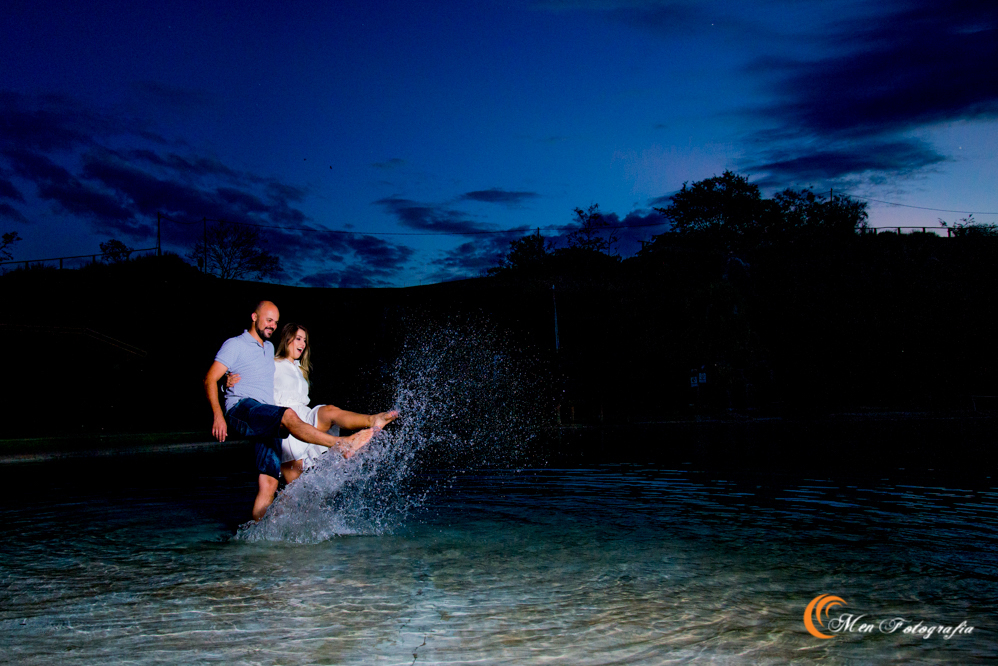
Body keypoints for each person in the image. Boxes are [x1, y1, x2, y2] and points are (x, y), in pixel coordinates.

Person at [204, 300, 376, 520]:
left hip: (267, 419)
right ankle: (341, 443)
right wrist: (219, 408)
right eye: (268, 320)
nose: (272, 326)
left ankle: (260, 536)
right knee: (287, 415)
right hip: (245, 407)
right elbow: (210, 377)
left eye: (275, 322)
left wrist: (227, 381)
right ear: (254, 317)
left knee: (269, 483)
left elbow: (255, 374)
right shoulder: (235, 344)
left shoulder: (267, 349)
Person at [228, 322, 398, 483]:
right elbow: (249, 378)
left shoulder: (300, 369)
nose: (302, 343)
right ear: (287, 339)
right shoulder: (272, 363)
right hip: (286, 423)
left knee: (330, 411)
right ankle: (282, 513)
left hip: (305, 416)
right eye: (298, 338)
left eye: (305, 340)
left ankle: (372, 420)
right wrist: (227, 382)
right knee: (295, 486)